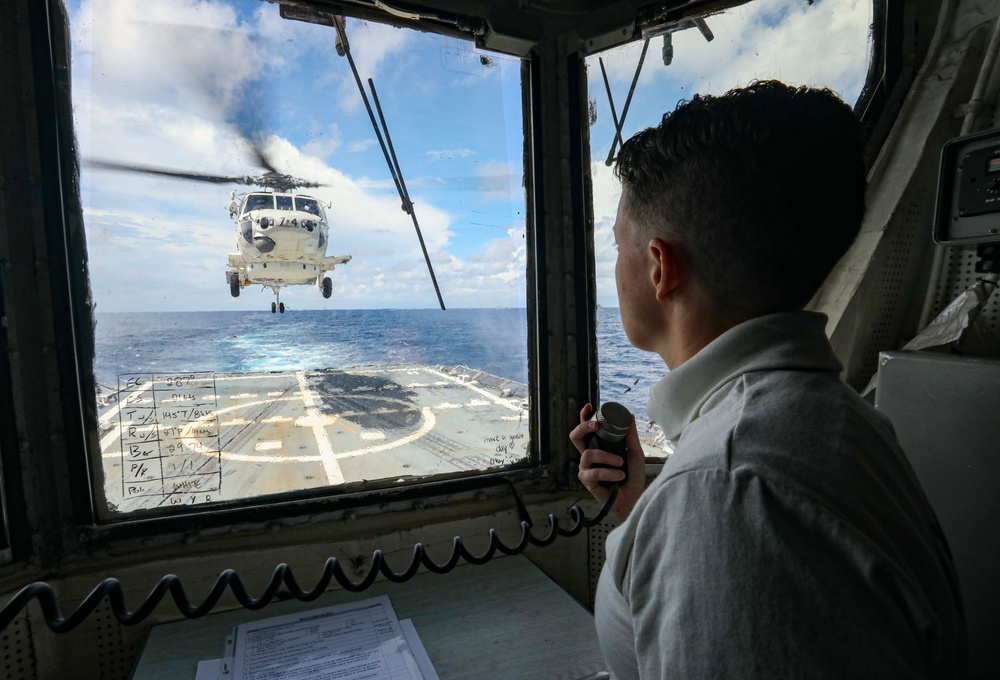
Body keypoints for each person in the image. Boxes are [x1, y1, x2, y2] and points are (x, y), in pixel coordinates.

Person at [570, 80, 966, 679]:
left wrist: (686, 504)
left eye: (619, 244)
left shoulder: (726, 490)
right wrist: (644, 510)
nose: (614, 265)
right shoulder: (835, 418)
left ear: (660, 266)